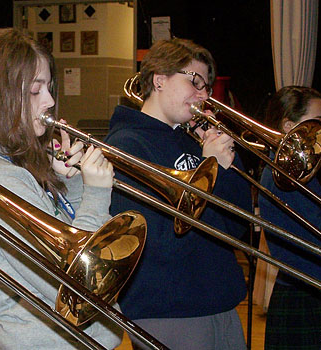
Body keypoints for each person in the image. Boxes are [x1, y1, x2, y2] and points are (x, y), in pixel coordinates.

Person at [0, 28, 122, 349]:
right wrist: (97, 193)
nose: (51, 101)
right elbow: (71, 283)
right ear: (0, 95)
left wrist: (72, 183)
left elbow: (70, 235)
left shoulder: (7, 163)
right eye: (36, 90)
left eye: (49, 88)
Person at [104, 38, 251, 349]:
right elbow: (157, 240)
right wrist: (208, 166)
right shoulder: (128, 145)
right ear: (159, 80)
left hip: (220, 303)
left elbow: (237, 226)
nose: (204, 94)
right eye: (194, 81)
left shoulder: (191, 141)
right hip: (169, 311)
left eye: (207, 86)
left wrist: (225, 166)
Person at [259, 86, 321, 349]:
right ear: (288, 125)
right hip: (306, 290)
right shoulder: (283, 174)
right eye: (317, 121)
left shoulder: (303, 170)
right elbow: (318, 231)